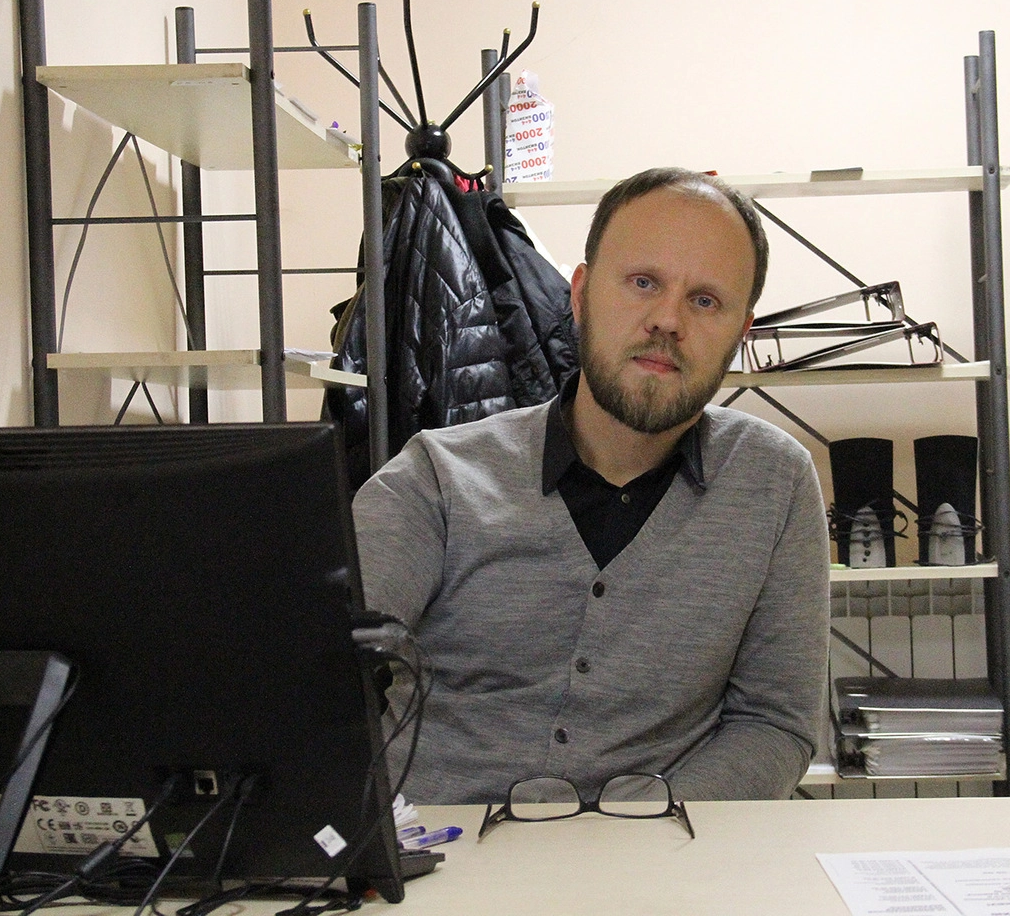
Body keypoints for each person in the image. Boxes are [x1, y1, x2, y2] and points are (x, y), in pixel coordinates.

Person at [352, 167, 830, 806]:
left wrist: (639, 832)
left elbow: (773, 724)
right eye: (642, 283)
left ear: (741, 333)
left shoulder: (774, 482)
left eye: (705, 301)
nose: (667, 320)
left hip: (664, 851)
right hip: (445, 848)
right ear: (579, 296)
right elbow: (308, 670)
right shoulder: (437, 478)